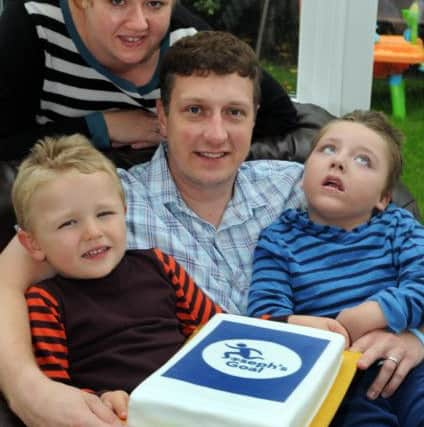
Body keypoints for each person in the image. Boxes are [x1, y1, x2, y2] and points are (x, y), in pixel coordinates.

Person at [0, 31, 422, 427]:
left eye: (234, 113)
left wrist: (415, 336)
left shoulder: (298, 185)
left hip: (325, 398)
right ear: (162, 117)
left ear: (255, 118)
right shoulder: (108, 206)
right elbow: (6, 279)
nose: (216, 134)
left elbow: (410, 248)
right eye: (195, 110)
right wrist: (27, 389)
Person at [13, 134, 223, 424]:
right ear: (33, 243)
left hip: (196, 402)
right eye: (68, 223)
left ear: (124, 213)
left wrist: (288, 325)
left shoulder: (160, 265)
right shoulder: (45, 302)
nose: (92, 232)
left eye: (104, 214)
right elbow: (56, 393)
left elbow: (219, 331)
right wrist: (102, 398)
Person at [248, 110, 424, 426]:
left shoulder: (398, 227)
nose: (338, 162)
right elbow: (264, 316)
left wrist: (378, 311)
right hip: (334, 377)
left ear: (383, 197)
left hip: (409, 364)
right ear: (303, 175)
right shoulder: (278, 239)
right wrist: (305, 328)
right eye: (328, 149)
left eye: (363, 160)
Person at [0, 0, 298, 163]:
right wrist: (101, 127)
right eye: (118, 1)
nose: (139, 23)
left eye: (155, 3)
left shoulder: (184, 34)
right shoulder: (31, 22)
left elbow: (279, 115)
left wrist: (186, 131)